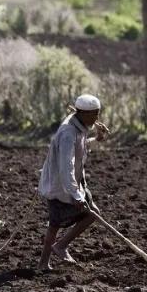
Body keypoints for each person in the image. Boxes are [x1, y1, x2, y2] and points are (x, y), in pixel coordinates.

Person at [37, 94, 109, 270]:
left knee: (92, 213)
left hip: (73, 183)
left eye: (98, 113)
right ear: (83, 113)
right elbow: (66, 166)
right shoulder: (68, 133)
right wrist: (76, 195)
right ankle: (50, 257)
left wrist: (97, 139)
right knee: (56, 224)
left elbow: (81, 148)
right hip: (60, 185)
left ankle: (55, 252)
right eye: (94, 114)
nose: (97, 118)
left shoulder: (79, 125)